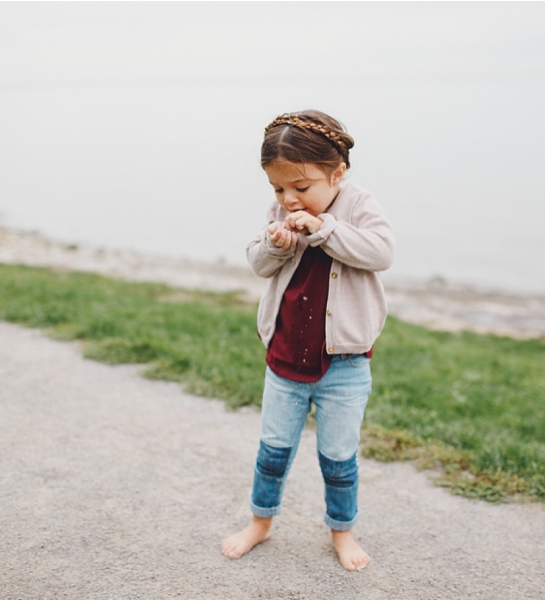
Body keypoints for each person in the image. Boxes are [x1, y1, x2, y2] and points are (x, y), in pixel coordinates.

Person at [221, 110, 394, 571]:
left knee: (339, 458)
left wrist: (326, 229)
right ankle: (261, 522)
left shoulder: (358, 205)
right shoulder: (281, 212)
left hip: (345, 364)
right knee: (273, 451)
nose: (289, 199)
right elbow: (259, 263)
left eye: (301, 188)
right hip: (285, 359)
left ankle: (342, 531)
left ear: (337, 173)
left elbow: (381, 252)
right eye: (279, 189)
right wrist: (277, 243)